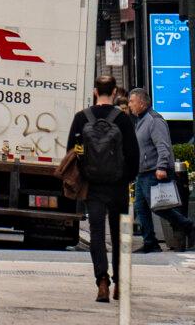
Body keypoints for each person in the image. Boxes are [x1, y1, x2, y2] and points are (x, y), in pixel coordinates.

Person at [66, 75, 139, 303]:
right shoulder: (123, 120)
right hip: (117, 186)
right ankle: (119, 283)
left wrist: (85, 173)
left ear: (95, 91)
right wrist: (126, 178)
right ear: (115, 91)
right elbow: (133, 154)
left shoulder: (81, 118)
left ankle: (102, 282)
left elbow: (73, 151)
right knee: (118, 235)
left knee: (96, 234)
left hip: (93, 186)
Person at [128, 88, 195, 253]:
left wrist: (162, 166)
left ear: (142, 103)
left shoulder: (154, 120)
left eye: (132, 101)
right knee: (140, 208)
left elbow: (163, 146)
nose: (130, 105)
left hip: (154, 171)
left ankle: (189, 226)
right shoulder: (140, 121)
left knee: (159, 207)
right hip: (143, 172)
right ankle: (150, 242)